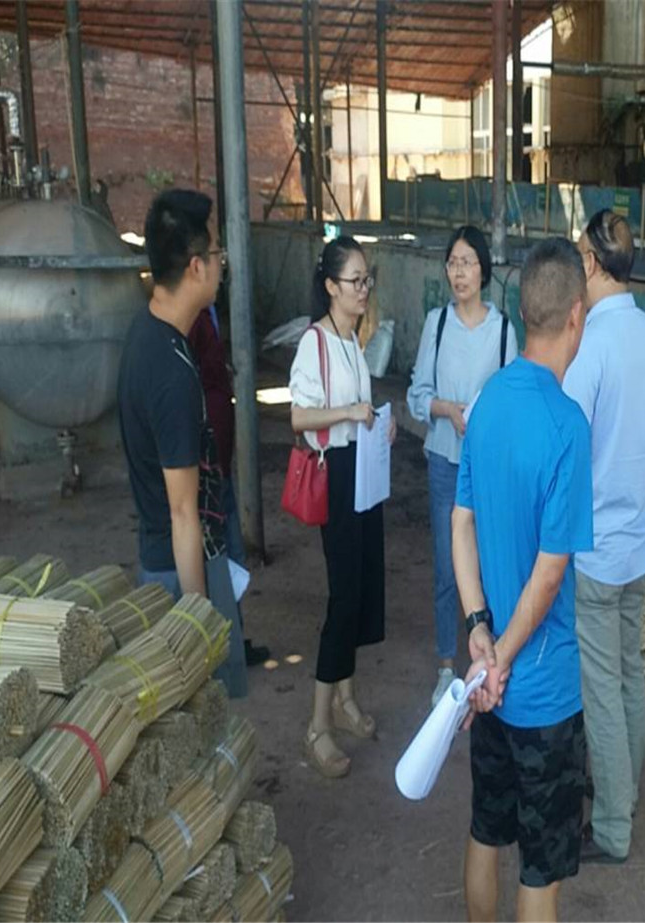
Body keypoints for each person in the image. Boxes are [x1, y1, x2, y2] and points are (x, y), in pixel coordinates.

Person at [453, 238, 593, 923]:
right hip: (540, 691)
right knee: (540, 870)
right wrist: (504, 656)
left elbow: (461, 522)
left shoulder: (487, 402)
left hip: (490, 687)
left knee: (486, 831)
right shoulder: (567, 425)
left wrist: (478, 630)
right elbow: (550, 569)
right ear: (576, 315)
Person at [561, 209, 645, 864]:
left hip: (595, 550)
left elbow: (568, 444)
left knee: (600, 690)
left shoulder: (591, 344)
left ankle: (610, 827)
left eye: (578, 252)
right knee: (629, 674)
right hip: (636, 544)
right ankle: (623, 792)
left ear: (590, 262)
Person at [117, 188, 248, 698]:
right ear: (196, 266)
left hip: (167, 557)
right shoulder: (170, 372)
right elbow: (182, 513)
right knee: (201, 710)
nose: (220, 264)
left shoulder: (148, 332)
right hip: (178, 570)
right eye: (216, 253)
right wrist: (198, 623)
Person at [289, 236, 396, 779]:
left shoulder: (353, 339)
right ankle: (317, 725)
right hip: (336, 477)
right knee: (344, 595)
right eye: (355, 280)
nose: (363, 289)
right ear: (331, 286)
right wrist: (351, 412)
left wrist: (377, 421)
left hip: (364, 475)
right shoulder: (316, 343)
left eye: (366, 279)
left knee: (364, 588)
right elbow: (299, 417)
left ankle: (346, 698)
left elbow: (359, 411)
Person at [407, 225, 518, 707]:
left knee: (490, 564)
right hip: (444, 464)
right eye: (452, 263)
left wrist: (485, 421)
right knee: (447, 569)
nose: (459, 272)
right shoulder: (436, 324)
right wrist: (446, 410)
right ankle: (446, 666)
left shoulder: (504, 331)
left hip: (489, 470)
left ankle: (494, 661)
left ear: (483, 270)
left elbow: (513, 401)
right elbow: (416, 395)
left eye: (468, 262)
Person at [188, 304, 271, 667]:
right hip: (206, 468)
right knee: (219, 559)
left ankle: (231, 641)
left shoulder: (205, 313)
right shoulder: (190, 319)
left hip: (219, 463)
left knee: (230, 557)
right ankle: (220, 648)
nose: (220, 274)